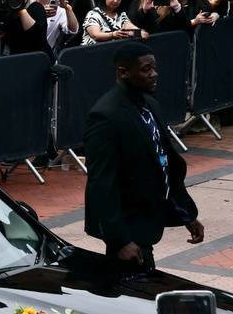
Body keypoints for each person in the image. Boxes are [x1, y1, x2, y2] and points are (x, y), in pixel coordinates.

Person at [82, 41, 205, 269]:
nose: (154, 74)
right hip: (129, 230)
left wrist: (187, 214)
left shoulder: (150, 105)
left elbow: (164, 165)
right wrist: (119, 240)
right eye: (146, 69)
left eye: (154, 68)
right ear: (123, 72)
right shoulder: (105, 116)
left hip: (149, 219)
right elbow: (102, 182)